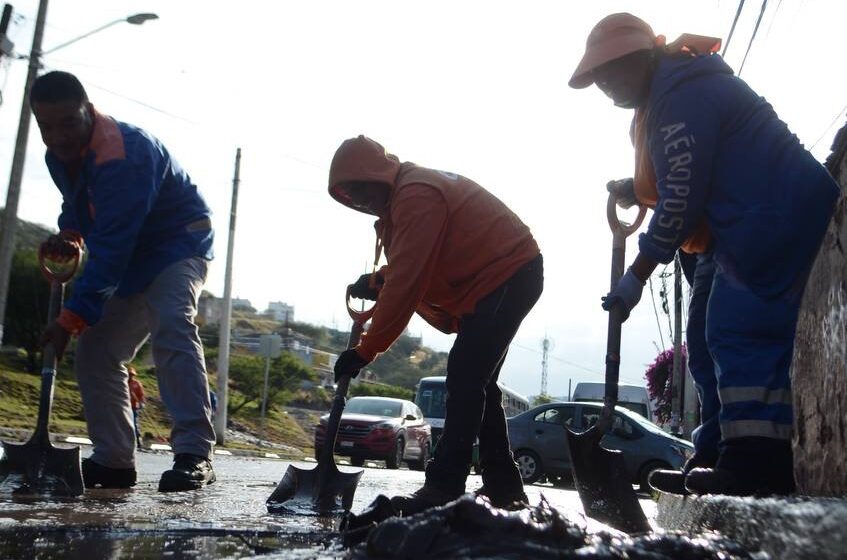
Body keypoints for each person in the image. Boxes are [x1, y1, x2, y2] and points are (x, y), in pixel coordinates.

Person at [569, 13, 839, 496]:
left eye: (610, 74)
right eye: (598, 80)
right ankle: (717, 451)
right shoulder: (665, 92)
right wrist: (638, 186)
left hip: (772, 212)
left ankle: (758, 464)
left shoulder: (680, 94)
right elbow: (686, 170)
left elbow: (682, 195)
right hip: (734, 223)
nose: (605, 88)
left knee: (738, 330)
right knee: (703, 336)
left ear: (640, 58)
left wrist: (637, 275)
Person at [329, 136, 543, 513]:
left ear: (378, 174)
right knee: (478, 382)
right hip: (496, 279)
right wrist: (380, 281)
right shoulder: (406, 197)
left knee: (464, 375)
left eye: (362, 188)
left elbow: (409, 281)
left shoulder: (416, 195)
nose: (362, 200)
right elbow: (414, 262)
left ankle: (445, 485)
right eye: (353, 195)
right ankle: (504, 486)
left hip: (508, 273)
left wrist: (365, 350)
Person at [34, 71, 217, 492]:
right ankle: (114, 461)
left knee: (171, 321)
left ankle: (195, 453)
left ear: (89, 110)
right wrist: (69, 237)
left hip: (177, 243)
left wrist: (69, 320)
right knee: (97, 349)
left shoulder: (125, 154)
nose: (57, 137)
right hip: (132, 255)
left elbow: (112, 249)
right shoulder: (58, 156)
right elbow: (80, 209)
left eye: (67, 123)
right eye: (46, 126)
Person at [127, 366, 146, 448]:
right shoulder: (123, 383)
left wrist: (142, 403)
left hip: (134, 407)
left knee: (135, 424)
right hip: (124, 407)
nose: (130, 376)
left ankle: (138, 442)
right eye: (129, 374)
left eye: (132, 375)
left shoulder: (137, 384)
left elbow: (141, 395)